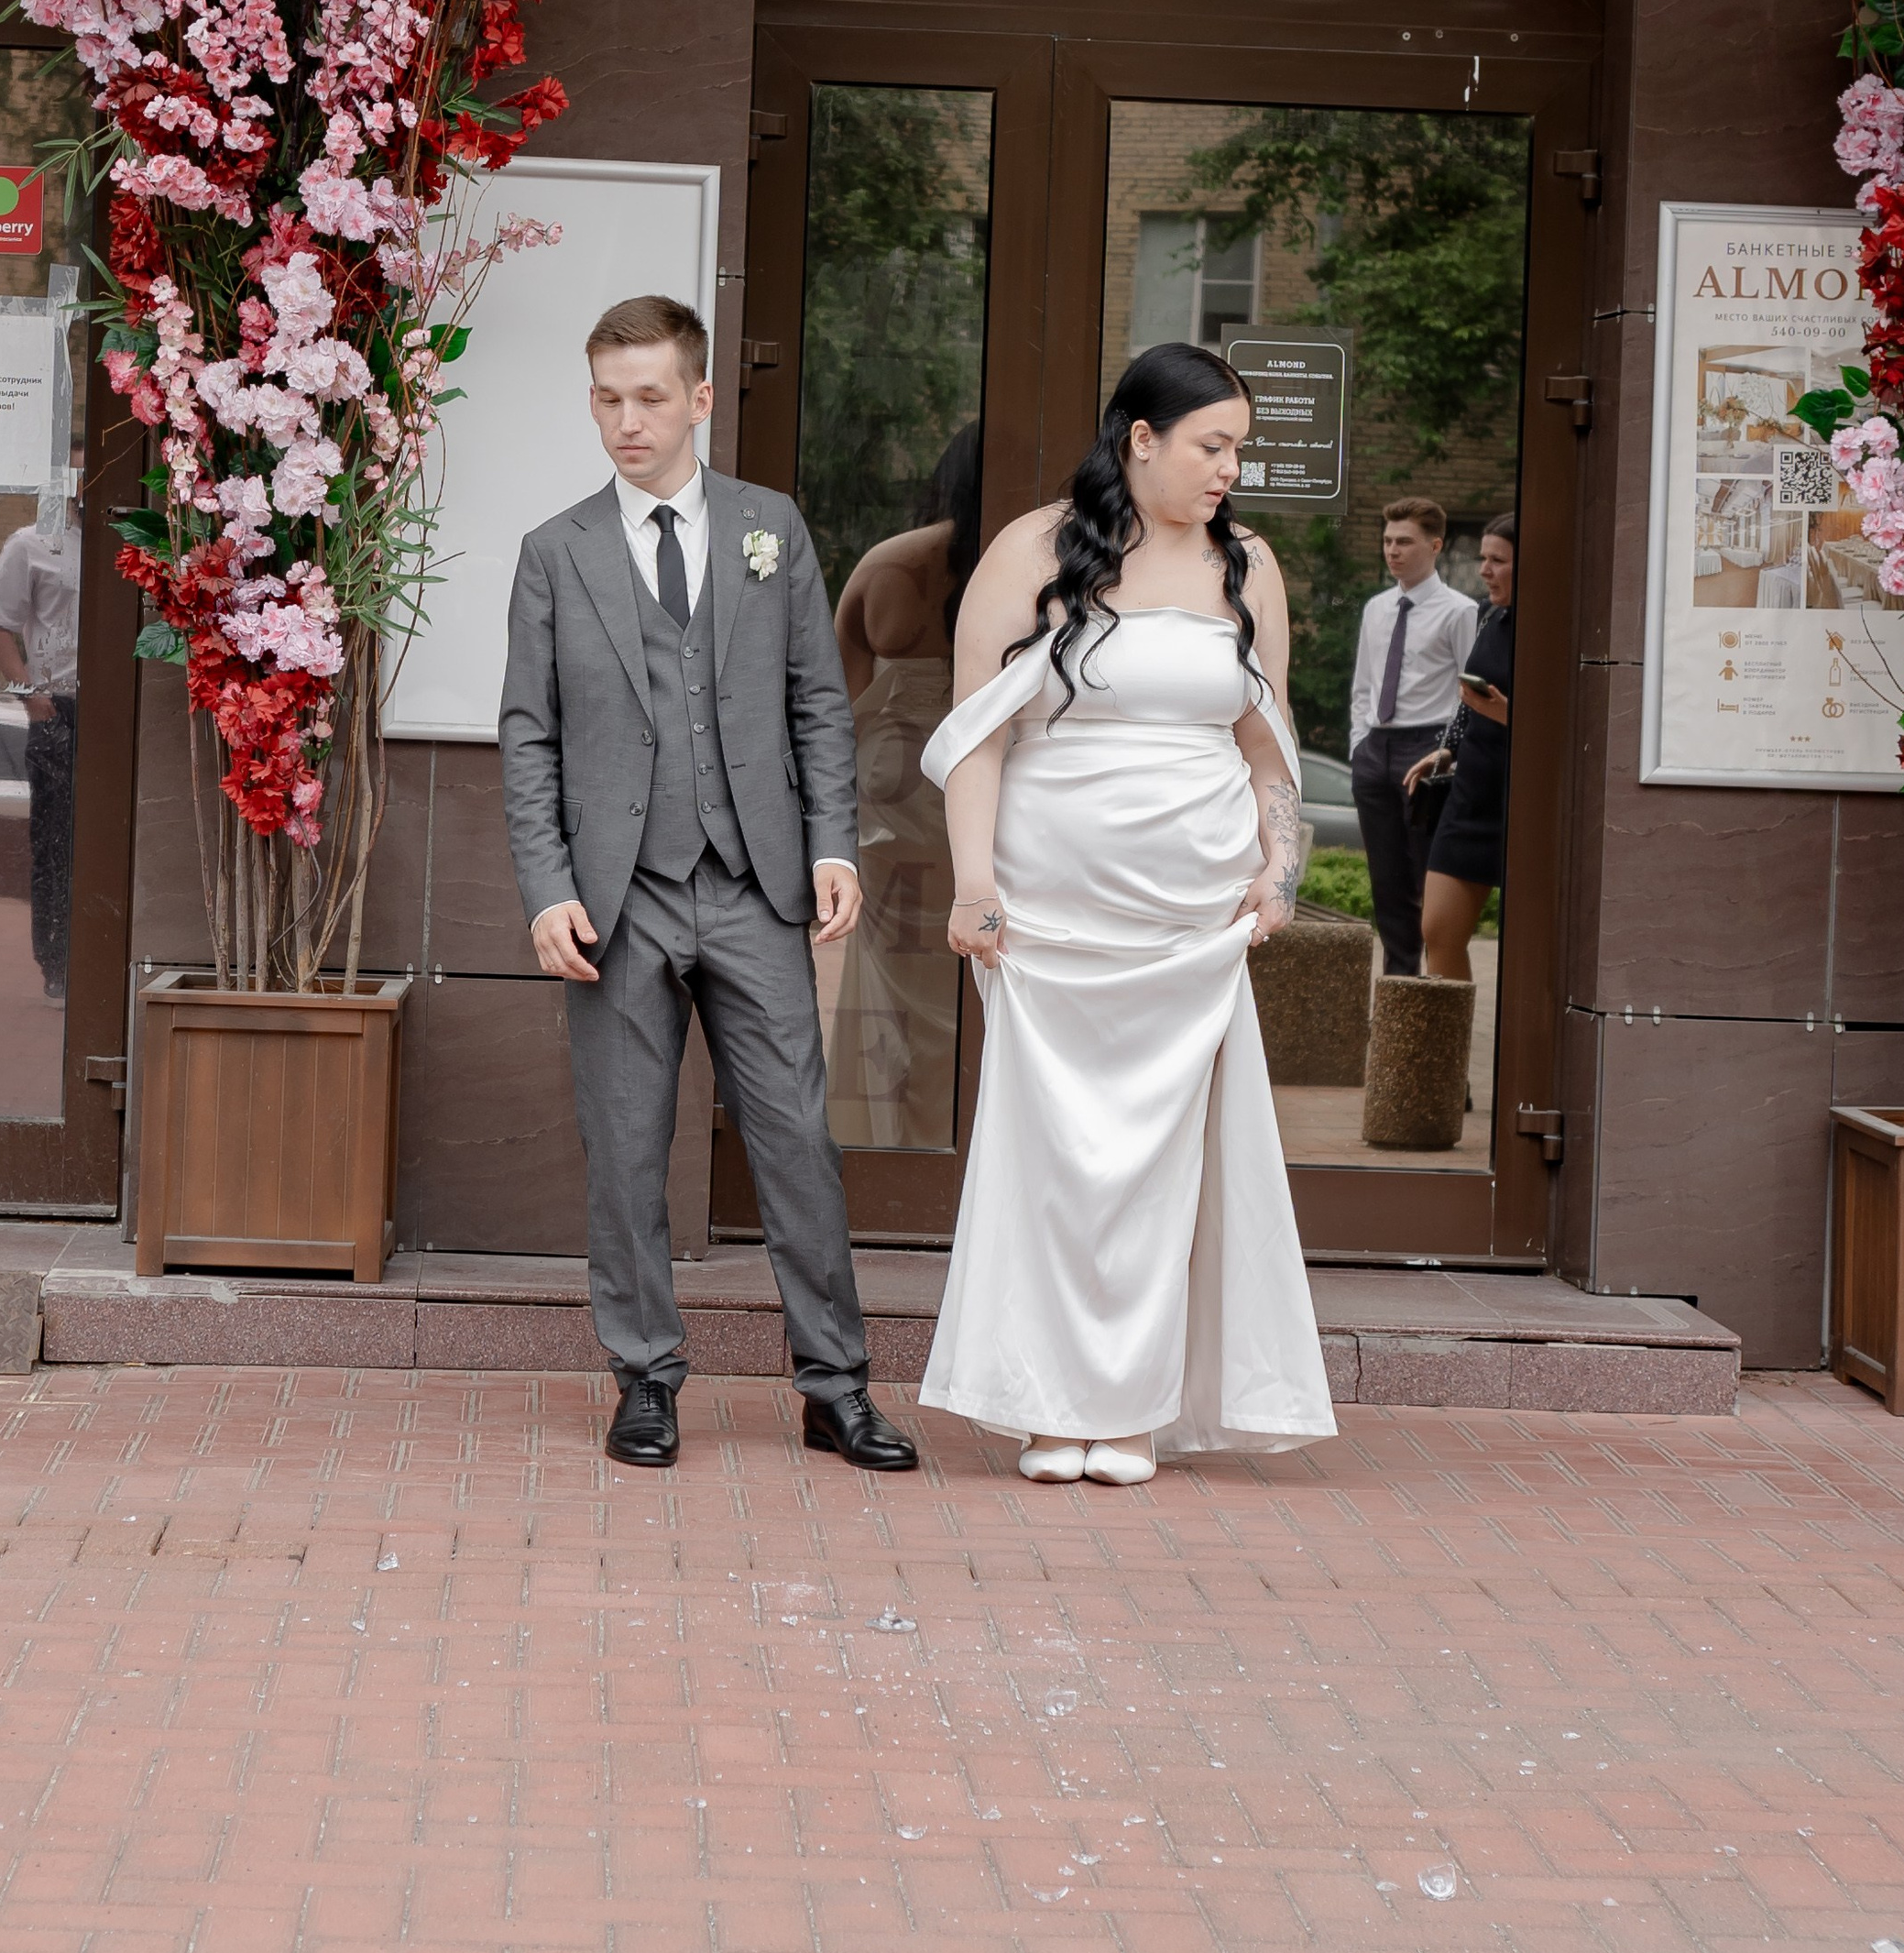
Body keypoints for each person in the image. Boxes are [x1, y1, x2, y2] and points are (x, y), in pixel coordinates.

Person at [498, 293, 919, 1476]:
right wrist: (546, 888)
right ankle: (644, 1380)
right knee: (627, 1150)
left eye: (647, 398)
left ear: (697, 400)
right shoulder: (554, 553)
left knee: (796, 1142)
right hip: (614, 899)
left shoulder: (768, 528)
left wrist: (832, 846)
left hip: (752, 888)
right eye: (605, 398)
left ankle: (834, 1387)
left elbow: (816, 707)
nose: (625, 422)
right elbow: (527, 736)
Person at [917, 341, 1338, 1484]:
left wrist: (1278, 873)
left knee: (1166, 1168)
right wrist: (973, 887)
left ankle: (1135, 1411)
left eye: (1238, 449)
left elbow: (1271, 749)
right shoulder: (1032, 551)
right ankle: (1052, 1406)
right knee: (1054, 1160)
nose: (1227, 470)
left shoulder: (1246, 564)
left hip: (1189, 921)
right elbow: (975, 737)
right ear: (1138, 438)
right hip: (1051, 914)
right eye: (1212, 445)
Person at [826, 421, 980, 1147]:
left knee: (887, 971)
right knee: (965, 967)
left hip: (886, 787)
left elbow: (834, 701)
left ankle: (881, 1134)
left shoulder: (887, 562)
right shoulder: (1023, 569)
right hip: (968, 791)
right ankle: (956, 1131)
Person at [1346, 498, 1478, 980]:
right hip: (1376, 748)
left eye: (1404, 541)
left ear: (1435, 545)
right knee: (1387, 881)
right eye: (1387, 541)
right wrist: (1360, 744)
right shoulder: (1377, 609)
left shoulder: (1459, 612)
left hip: (1428, 747)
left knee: (1427, 876)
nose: (1393, 551)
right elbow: (1364, 684)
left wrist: (1452, 753)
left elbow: (1470, 692)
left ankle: (1432, 984)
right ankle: (1399, 983)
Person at [1404, 512, 1515, 983]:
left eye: (1498, 560)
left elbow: (1569, 724)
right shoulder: (1492, 616)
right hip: (1471, 792)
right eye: (1482, 558)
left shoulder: (1555, 630)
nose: (1484, 570)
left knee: (1532, 943)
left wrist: (1509, 716)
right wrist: (1447, 750)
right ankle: (1449, 1052)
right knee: (1438, 929)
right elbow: (1470, 704)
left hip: (1522, 797)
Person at [0, 497, 82, 1005]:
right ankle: (57, 964)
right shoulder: (31, 544)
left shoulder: (135, 541)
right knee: (55, 841)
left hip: (117, 709)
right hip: (58, 707)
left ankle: (101, 954)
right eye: (77, 476)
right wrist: (32, 698)